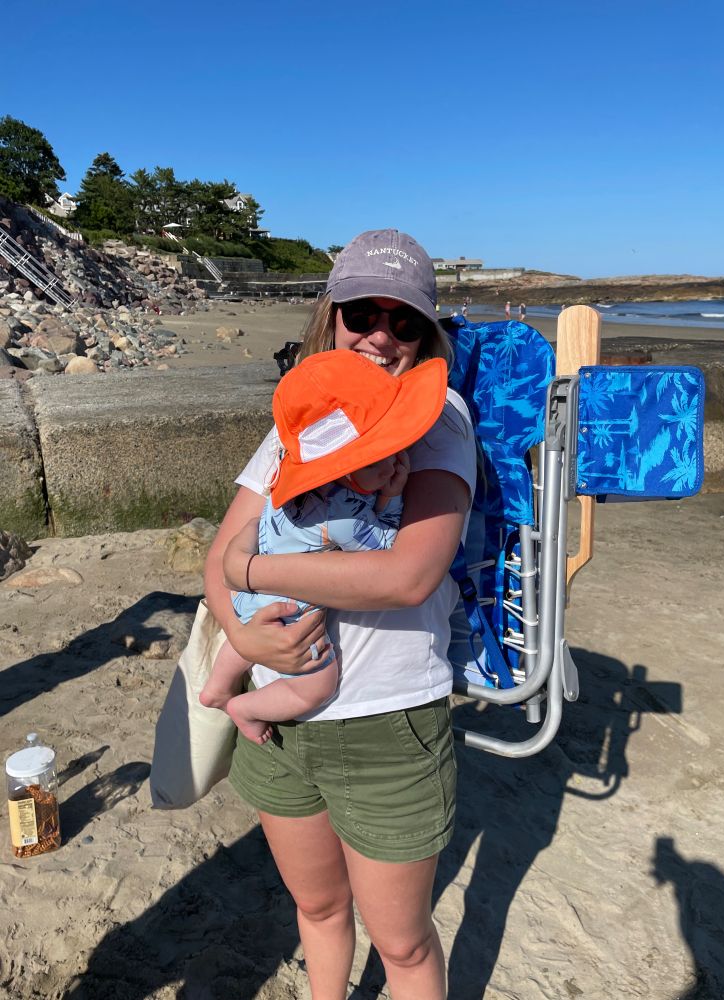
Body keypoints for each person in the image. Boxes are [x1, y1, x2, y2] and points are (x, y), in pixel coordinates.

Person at [203, 228, 477, 1000]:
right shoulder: (299, 419)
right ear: (332, 316)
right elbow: (215, 554)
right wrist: (241, 629)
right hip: (281, 723)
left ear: (426, 336)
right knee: (317, 908)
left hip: (389, 721)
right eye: (363, 313)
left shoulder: (439, 418)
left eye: (405, 321)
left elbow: (407, 576)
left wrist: (252, 570)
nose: (380, 336)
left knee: (403, 943)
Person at [200, 348, 446, 746]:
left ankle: (219, 683)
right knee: (318, 686)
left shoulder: (289, 484)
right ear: (343, 471)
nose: (391, 464)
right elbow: (384, 550)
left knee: (244, 635)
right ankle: (244, 707)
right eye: (376, 460)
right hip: (288, 616)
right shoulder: (345, 518)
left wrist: (240, 566)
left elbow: (250, 524)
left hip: (249, 601)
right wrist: (393, 497)